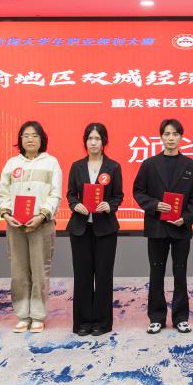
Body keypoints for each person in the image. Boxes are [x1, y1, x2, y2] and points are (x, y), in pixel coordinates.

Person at [133, 118, 193, 334]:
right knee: (156, 272)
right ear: (161, 137)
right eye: (167, 134)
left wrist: (186, 218)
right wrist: (155, 205)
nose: (171, 138)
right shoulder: (149, 164)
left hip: (181, 228)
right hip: (157, 227)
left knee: (180, 273)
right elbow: (138, 192)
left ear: (181, 137)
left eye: (175, 134)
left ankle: (181, 317)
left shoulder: (192, 166)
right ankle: (156, 317)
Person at [0, 121, 62, 333]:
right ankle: (22, 315)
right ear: (20, 140)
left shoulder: (51, 163)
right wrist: (6, 214)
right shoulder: (11, 164)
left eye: (34, 135)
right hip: (15, 226)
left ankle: (38, 316)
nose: (30, 139)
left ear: (42, 139)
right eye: (25, 136)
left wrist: (42, 215)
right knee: (18, 271)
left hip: (41, 225)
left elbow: (55, 194)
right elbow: (3, 193)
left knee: (40, 271)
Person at [66, 123, 123, 336]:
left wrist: (110, 205)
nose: (93, 142)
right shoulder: (77, 166)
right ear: (85, 141)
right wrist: (75, 205)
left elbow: (118, 195)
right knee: (82, 276)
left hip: (105, 229)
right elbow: (71, 193)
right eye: (90, 138)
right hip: (80, 228)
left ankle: (102, 322)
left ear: (104, 141)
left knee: (103, 276)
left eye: (97, 138)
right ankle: (83, 322)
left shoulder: (113, 167)